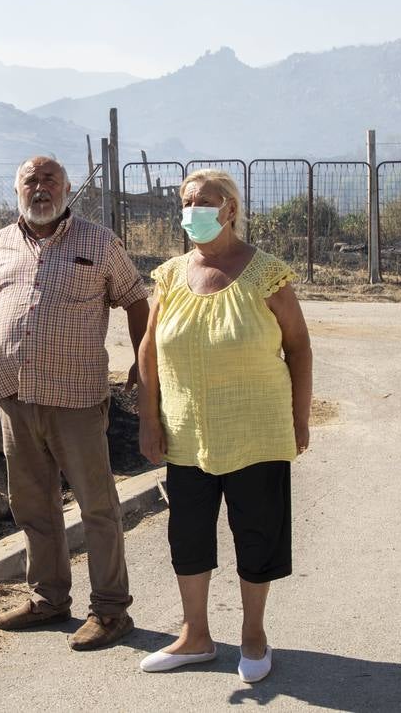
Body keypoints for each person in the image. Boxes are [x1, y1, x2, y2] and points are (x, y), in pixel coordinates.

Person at [0, 155, 149, 650]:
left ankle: (110, 610)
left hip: (76, 399)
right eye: (31, 181)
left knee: (97, 506)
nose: (40, 188)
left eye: (50, 180)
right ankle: (48, 600)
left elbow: (135, 299)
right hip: (14, 395)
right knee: (32, 505)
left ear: (67, 189)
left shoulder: (100, 242)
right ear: (16, 189)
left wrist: (142, 362)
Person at [136, 168, 311, 683]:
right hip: (186, 431)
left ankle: (253, 635)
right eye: (187, 203)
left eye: (204, 203)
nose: (192, 212)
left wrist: (299, 418)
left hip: (257, 430)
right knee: (187, 534)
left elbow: (298, 347)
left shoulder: (265, 274)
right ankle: (196, 636)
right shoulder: (169, 275)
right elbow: (149, 349)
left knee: (256, 532)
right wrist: (149, 419)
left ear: (230, 209)